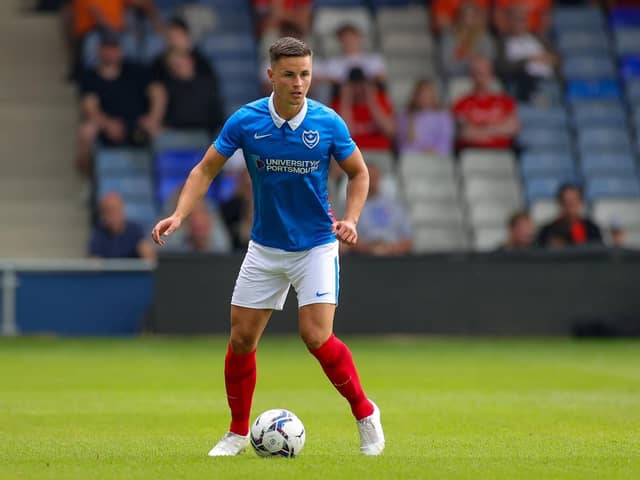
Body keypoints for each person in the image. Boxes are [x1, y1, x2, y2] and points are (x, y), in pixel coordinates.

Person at [151, 37, 384, 456]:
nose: (299, 83)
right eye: (291, 74)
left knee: (315, 336)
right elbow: (205, 170)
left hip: (315, 245)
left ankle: (365, 413)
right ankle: (238, 433)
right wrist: (180, 215)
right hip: (265, 247)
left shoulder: (327, 123)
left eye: (306, 74)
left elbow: (360, 173)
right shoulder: (246, 121)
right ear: (271, 75)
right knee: (241, 339)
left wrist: (350, 220)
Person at [77, 30, 163, 175]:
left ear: (121, 50)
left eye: (114, 48)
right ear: (99, 50)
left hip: (137, 124)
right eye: (107, 48)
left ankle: (157, 182)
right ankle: (89, 179)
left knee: (160, 133)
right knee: (86, 131)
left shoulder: (136, 70)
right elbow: (89, 107)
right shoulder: (90, 76)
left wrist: (153, 118)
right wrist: (107, 124)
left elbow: (158, 93)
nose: (111, 52)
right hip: (107, 125)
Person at [453, 56, 520, 151]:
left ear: (491, 74)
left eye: (484, 72)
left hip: (501, 154)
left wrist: (482, 130)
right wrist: (498, 130)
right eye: (477, 72)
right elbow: (464, 133)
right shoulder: (461, 103)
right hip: (472, 154)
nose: (481, 76)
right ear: (471, 75)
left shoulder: (506, 102)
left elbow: (513, 128)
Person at [495, 4, 558, 102]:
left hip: (548, 81)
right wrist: (528, 59)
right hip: (521, 83)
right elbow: (503, 67)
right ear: (509, 21)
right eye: (516, 20)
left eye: (522, 20)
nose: (520, 23)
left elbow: (557, 58)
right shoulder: (503, 42)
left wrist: (551, 59)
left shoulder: (538, 38)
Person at [155, 48, 225, 135]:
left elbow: (216, 115)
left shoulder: (207, 84)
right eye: (172, 65)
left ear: (190, 61)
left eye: (179, 63)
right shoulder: (167, 88)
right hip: (175, 134)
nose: (176, 67)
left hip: (205, 134)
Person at [351, 165, 413, 256]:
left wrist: (391, 249)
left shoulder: (395, 206)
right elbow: (348, 240)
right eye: (368, 177)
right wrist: (369, 249)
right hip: (364, 259)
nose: (371, 180)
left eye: (374, 176)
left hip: (394, 258)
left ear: (379, 178)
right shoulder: (353, 208)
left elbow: (408, 241)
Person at [331, 67, 395, 151]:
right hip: (352, 154)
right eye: (353, 85)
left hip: (379, 152)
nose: (357, 89)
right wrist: (346, 102)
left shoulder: (379, 99)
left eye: (361, 84)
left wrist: (371, 102)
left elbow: (390, 131)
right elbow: (344, 136)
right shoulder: (339, 103)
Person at [396, 79, 454, 157]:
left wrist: (433, 151)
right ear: (415, 96)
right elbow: (403, 145)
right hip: (412, 159)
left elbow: (446, 143)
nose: (425, 98)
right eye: (421, 95)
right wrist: (411, 121)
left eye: (428, 94)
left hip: (437, 158)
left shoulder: (443, 116)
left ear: (433, 95)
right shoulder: (405, 115)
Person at [89, 192, 156, 259]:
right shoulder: (99, 233)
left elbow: (149, 256)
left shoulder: (135, 230)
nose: (112, 214)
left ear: (121, 209)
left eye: (114, 209)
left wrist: (147, 252)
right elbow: (94, 261)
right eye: (108, 211)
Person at [439, 1, 495, 78]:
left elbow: (488, 62)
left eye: (471, 16)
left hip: (480, 79)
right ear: (458, 17)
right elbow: (446, 65)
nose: (467, 20)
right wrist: (469, 64)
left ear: (477, 18)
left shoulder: (484, 38)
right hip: (455, 80)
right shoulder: (449, 37)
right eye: (464, 16)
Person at [537, 184, 603, 248]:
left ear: (581, 202)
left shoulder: (592, 230)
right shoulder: (547, 231)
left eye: (573, 202)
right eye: (565, 202)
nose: (569, 207)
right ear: (559, 203)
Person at [166, 200, 231, 253]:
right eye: (192, 215)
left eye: (202, 213)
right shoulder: (175, 245)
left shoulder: (220, 245)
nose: (198, 221)